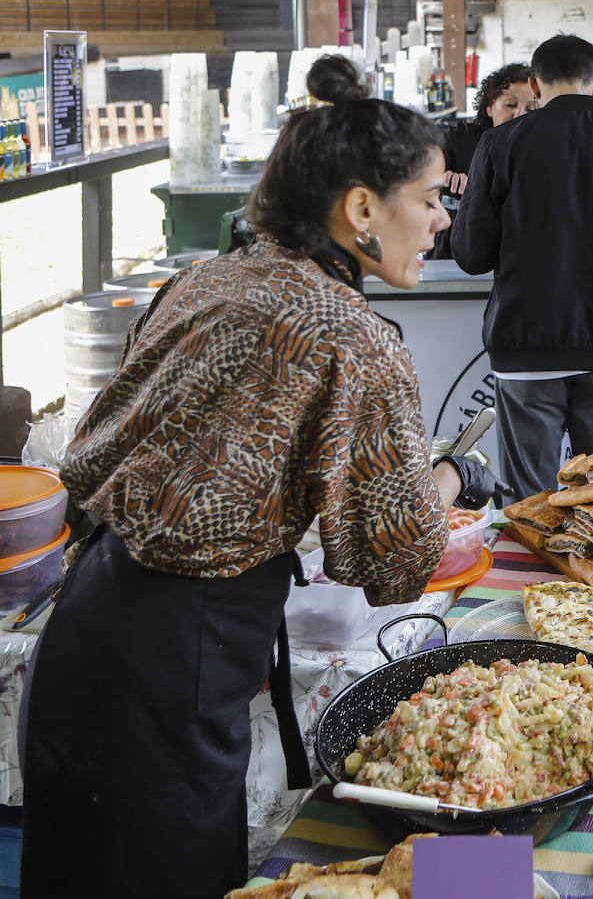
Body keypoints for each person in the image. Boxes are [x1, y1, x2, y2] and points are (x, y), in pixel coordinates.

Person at [19, 54, 505, 899]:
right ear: (361, 209)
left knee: (75, 869)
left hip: (87, 617)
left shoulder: (208, 277)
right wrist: (453, 476)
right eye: (429, 200)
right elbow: (399, 559)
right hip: (179, 651)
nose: (440, 221)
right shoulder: (354, 338)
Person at [451, 34, 593, 499]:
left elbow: (471, 254)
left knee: (530, 506)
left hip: (525, 346)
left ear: (535, 86)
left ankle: (527, 577)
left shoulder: (500, 144)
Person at [428, 62, 535, 259]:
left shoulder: (541, 152)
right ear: (489, 107)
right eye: (510, 105)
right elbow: (420, 173)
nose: (520, 114)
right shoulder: (459, 139)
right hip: (454, 254)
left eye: (531, 108)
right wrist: (441, 179)